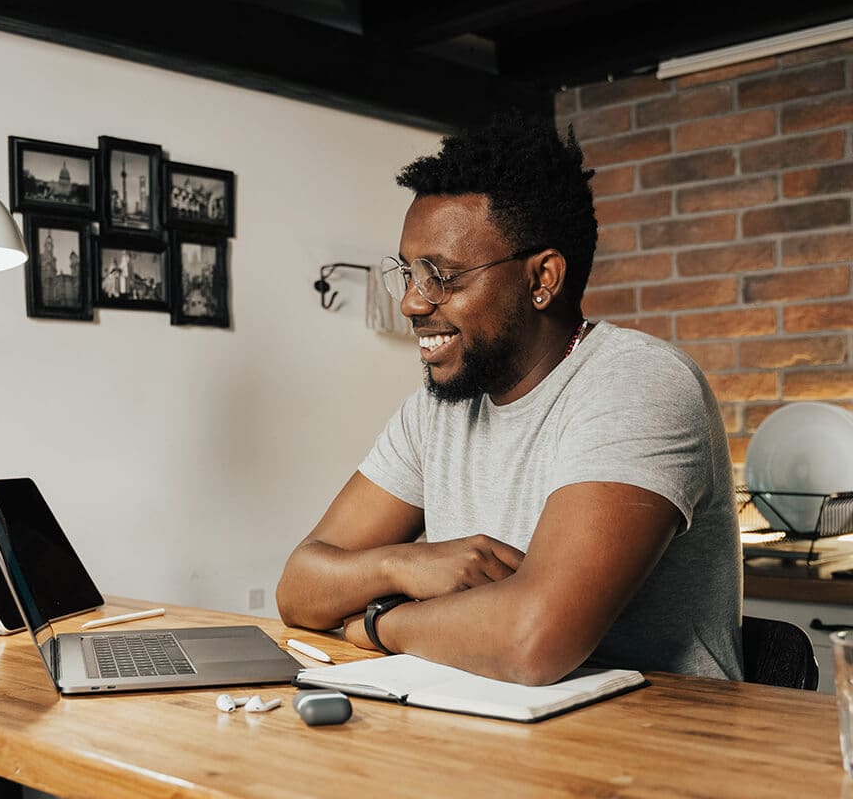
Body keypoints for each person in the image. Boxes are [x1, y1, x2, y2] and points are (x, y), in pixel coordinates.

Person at [275, 111, 743, 685]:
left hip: (657, 753)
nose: (412, 304)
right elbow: (299, 587)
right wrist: (408, 563)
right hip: (494, 739)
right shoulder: (437, 410)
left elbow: (533, 639)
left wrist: (379, 622)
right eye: (409, 273)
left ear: (542, 279)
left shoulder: (637, 384)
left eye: (441, 277)